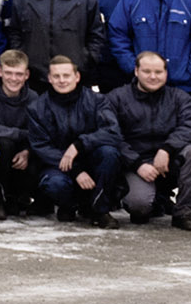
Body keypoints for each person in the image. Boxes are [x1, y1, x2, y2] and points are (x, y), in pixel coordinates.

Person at [111, 50, 191, 228]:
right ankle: (152, 201)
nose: (153, 77)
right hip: (136, 163)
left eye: (158, 72)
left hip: (170, 159)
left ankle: (185, 214)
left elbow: (189, 128)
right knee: (139, 208)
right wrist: (137, 164)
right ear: (136, 71)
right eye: (147, 72)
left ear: (166, 73)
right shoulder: (117, 98)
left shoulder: (180, 98)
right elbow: (112, 136)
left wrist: (167, 149)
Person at [26, 52, 125, 225]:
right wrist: (76, 170)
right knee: (54, 184)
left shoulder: (97, 101)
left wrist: (79, 145)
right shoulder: (37, 108)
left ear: (77, 76)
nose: (62, 80)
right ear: (49, 78)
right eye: (56, 76)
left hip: (92, 161)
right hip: (58, 165)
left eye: (66, 75)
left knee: (109, 153)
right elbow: (41, 146)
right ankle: (69, 205)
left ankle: (99, 210)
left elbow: (112, 131)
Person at [0, 50, 45, 219]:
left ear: (26, 75)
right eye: (9, 73)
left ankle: (16, 197)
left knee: (37, 156)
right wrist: (21, 134)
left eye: (19, 74)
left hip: (21, 148)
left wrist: (27, 150)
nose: (13, 78)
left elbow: (36, 131)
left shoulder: (33, 97)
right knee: (3, 144)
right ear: (0, 72)